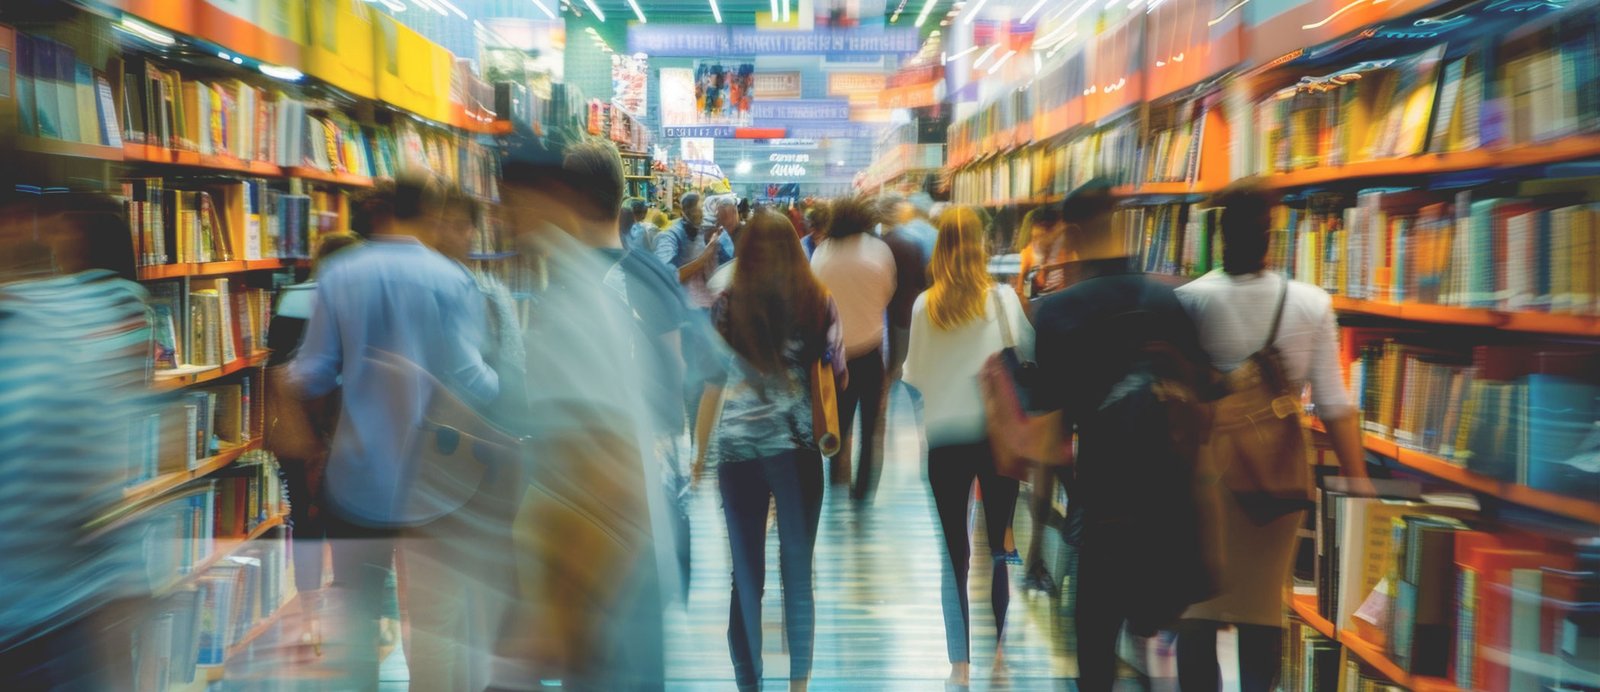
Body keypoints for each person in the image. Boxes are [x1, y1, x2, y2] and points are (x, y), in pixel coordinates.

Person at [287, 173, 501, 691]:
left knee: (356, 618)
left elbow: (313, 373)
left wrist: (284, 384)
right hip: (436, 480)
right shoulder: (451, 280)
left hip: (357, 477)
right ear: (428, 212)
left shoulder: (340, 273)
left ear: (382, 211)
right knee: (433, 623)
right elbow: (475, 382)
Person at [1173, 187, 1371, 692]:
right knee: (1264, 614)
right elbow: (1334, 404)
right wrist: (1360, 485)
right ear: (1271, 236)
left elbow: (1177, 399)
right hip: (1277, 485)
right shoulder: (1310, 304)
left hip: (1206, 482)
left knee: (1198, 612)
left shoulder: (1188, 302)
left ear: (1220, 234)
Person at [491, 134, 667, 691]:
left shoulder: (575, 306)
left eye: (513, 208)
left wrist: (555, 617)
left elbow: (611, 469)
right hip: (593, 591)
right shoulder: (578, 290)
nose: (506, 226)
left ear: (549, 201)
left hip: (600, 596)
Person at [1029, 180, 1213, 692]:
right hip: (1170, 511)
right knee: (1162, 659)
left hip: (1103, 511)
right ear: (1120, 223)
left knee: (1095, 655)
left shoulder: (1059, 313)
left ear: (1071, 233)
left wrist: (1038, 535)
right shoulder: (1168, 300)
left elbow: (1053, 434)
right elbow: (1199, 406)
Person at [0, 191, 151, 690]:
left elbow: (98, 484)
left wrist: (124, 583)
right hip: (56, 617)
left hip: (52, 626)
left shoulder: (79, 317)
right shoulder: (98, 311)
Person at [692, 210, 846, 692]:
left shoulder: (726, 303)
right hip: (798, 454)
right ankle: (798, 685)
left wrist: (699, 455)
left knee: (746, 577)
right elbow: (838, 374)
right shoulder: (819, 302)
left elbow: (711, 383)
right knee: (798, 576)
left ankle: (749, 684)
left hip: (737, 455)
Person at [902, 205, 1031, 687]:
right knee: (999, 541)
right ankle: (999, 651)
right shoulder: (1002, 301)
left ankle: (960, 663)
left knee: (953, 550)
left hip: (944, 440)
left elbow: (912, 377)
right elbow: (1032, 354)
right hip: (997, 438)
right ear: (981, 245)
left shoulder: (923, 306)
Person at [266, 230, 363, 644]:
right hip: (348, 427)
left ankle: (309, 618)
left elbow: (278, 363)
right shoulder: (359, 300)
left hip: (298, 427)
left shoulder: (290, 297)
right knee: (347, 522)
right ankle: (349, 615)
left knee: (305, 519)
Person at [810, 194, 896, 499]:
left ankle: (835, 476)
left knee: (839, 420)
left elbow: (815, 299)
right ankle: (862, 490)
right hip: (871, 350)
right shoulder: (879, 250)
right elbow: (888, 292)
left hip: (835, 354)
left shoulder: (822, 253)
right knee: (870, 424)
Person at [1015, 204, 1073, 299]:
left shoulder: (1063, 251)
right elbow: (1022, 290)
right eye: (1035, 237)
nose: (1037, 239)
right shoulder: (1028, 253)